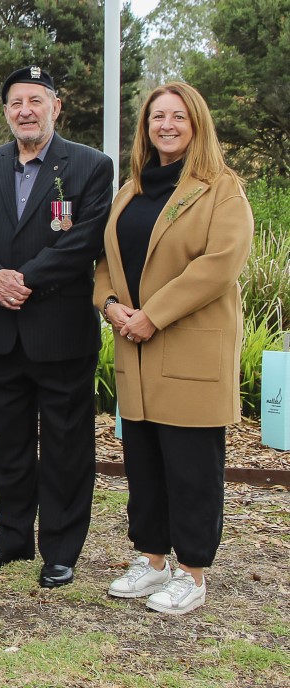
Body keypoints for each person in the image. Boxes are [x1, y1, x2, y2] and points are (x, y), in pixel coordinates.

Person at [95, 82, 253, 614]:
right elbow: (106, 258)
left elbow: (219, 265)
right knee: (145, 465)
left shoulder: (221, 189)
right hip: (136, 350)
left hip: (188, 351)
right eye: (157, 116)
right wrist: (110, 304)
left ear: (196, 124)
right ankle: (153, 559)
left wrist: (152, 315)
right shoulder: (132, 189)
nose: (166, 125)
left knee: (191, 471)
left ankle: (193, 573)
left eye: (178, 116)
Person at [0, 65, 114, 588]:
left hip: (60, 330)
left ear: (55, 107)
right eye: (16, 103)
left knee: (67, 446)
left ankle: (61, 549)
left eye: (35, 101)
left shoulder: (91, 166)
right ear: (6, 112)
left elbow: (85, 238)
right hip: (2, 329)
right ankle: (11, 538)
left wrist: (24, 278)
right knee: (11, 443)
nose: (25, 111)